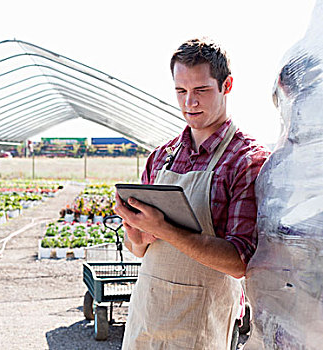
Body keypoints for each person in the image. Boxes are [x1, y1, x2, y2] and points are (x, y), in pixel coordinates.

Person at [115, 38, 270, 349]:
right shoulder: (162, 155)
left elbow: (239, 261)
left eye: (201, 90)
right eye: (180, 91)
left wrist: (166, 230)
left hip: (200, 325)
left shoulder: (246, 160)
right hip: (146, 319)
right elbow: (139, 251)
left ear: (226, 85)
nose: (190, 103)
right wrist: (138, 236)